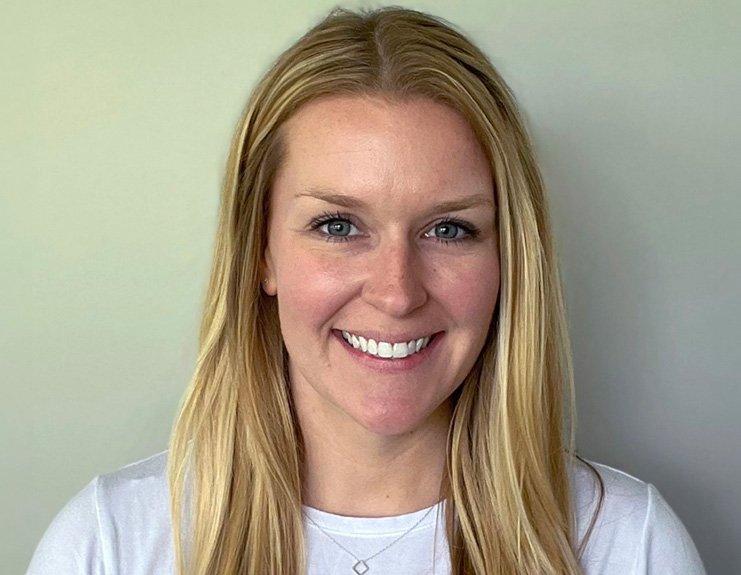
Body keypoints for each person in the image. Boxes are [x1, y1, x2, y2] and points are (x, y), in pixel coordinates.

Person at [26, 6, 706, 575]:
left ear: (508, 260)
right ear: (260, 252)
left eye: (447, 228)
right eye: (338, 224)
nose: (396, 291)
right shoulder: (109, 542)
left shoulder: (625, 543)